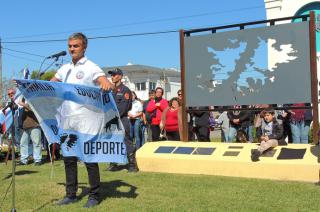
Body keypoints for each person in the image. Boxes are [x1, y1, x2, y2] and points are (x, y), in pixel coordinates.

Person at [51, 32, 114, 208]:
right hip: (67, 120)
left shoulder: (91, 66)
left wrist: (105, 84)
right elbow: (51, 84)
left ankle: (94, 195)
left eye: (76, 46)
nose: (72, 49)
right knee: (69, 158)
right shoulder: (64, 68)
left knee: (89, 158)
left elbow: (103, 80)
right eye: (70, 46)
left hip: (87, 121)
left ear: (84, 47)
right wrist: (32, 87)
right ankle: (71, 194)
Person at [106, 68, 138, 172]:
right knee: (112, 142)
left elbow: (124, 108)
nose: (112, 77)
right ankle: (113, 164)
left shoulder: (125, 90)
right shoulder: (110, 90)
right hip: (111, 119)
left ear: (120, 76)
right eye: (111, 75)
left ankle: (132, 165)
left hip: (121, 119)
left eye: (114, 75)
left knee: (126, 141)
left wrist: (113, 116)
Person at [18, 98, 42, 165]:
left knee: (36, 143)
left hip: (34, 125)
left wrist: (24, 105)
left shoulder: (34, 98)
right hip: (24, 126)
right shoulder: (21, 99)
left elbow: (36, 110)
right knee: (23, 143)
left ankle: (37, 160)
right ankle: (23, 160)